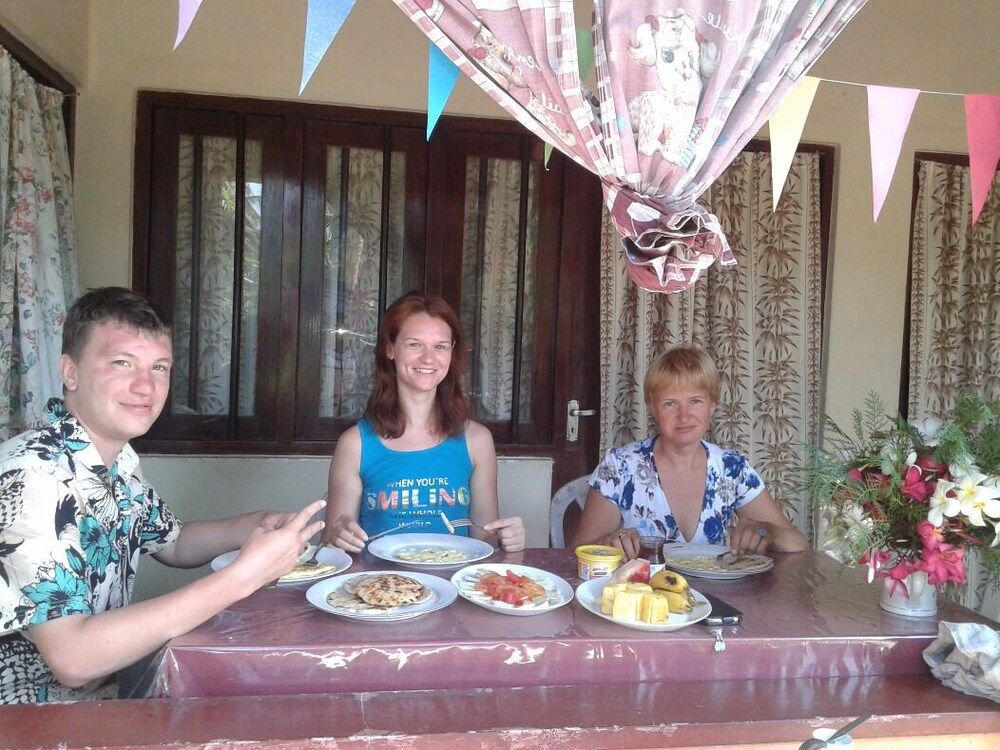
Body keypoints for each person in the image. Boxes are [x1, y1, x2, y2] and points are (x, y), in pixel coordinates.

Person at [0, 287, 325, 704]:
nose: (145, 386)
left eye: (160, 367)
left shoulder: (114, 463)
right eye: (122, 363)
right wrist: (244, 577)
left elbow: (174, 543)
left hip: (103, 701)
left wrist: (255, 525)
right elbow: (74, 660)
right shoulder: (32, 477)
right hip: (27, 722)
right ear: (71, 372)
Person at [324, 292, 525, 553]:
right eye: (414, 344)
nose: (428, 359)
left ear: (451, 354)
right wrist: (337, 536)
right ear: (390, 349)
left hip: (453, 588)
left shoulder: (477, 440)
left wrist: (508, 540)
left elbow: (483, 540)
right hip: (380, 589)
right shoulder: (355, 444)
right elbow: (331, 545)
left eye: (440, 346)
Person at [570, 345, 807, 558]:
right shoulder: (619, 467)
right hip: (640, 600)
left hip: (715, 603)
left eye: (695, 401)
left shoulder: (732, 469)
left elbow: (796, 543)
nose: (684, 416)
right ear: (652, 407)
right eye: (670, 403)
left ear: (712, 404)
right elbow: (574, 554)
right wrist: (609, 542)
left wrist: (767, 532)